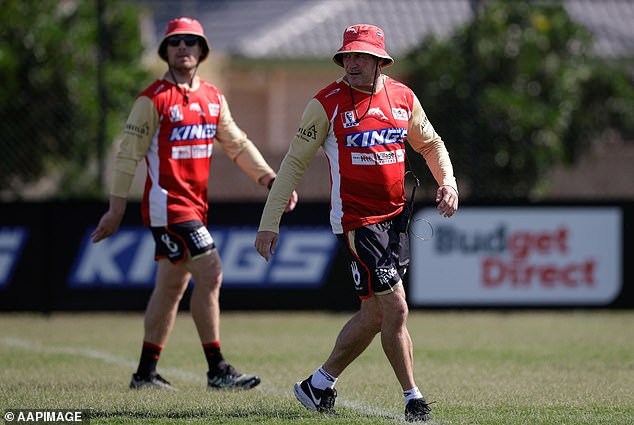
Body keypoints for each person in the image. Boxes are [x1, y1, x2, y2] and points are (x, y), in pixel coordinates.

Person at [254, 24, 458, 421]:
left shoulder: (403, 98)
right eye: (347, 55)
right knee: (396, 308)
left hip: (396, 219)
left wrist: (447, 181)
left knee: (374, 316)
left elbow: (431, 143)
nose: (352, 63)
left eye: (362, 56)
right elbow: (294, 163)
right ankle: (413, 399)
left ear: (381, 61)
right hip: (357, 222)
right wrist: (269, 221)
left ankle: (318, 384)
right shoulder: (326, 103)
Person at [91, 17, 297, 391]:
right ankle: (217, 369)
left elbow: (236, 144)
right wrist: (116, 208)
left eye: (190, 42)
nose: (183, 48)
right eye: (175, 42)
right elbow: (127, 156)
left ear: (202, 51)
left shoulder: (212, 98)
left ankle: (144, 374)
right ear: (165, 51)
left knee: (170, 288)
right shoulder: (152, 99)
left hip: (194, 207)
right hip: (167, 207)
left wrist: (269, 178)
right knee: (212, 271)